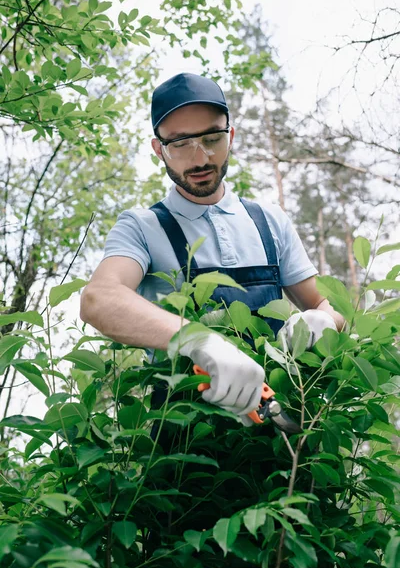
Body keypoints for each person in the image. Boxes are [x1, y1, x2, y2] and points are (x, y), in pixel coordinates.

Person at [80, 72, 345, 424]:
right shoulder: (142, 227)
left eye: (211, 138)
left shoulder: (269, 220)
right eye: (180, 144)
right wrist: (200, 341)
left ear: (230, 137)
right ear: (159, 149)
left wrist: (323, 321)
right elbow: (99, 299)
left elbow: (328, 307)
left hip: (286, 437)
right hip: (184, 450)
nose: (200, 158)